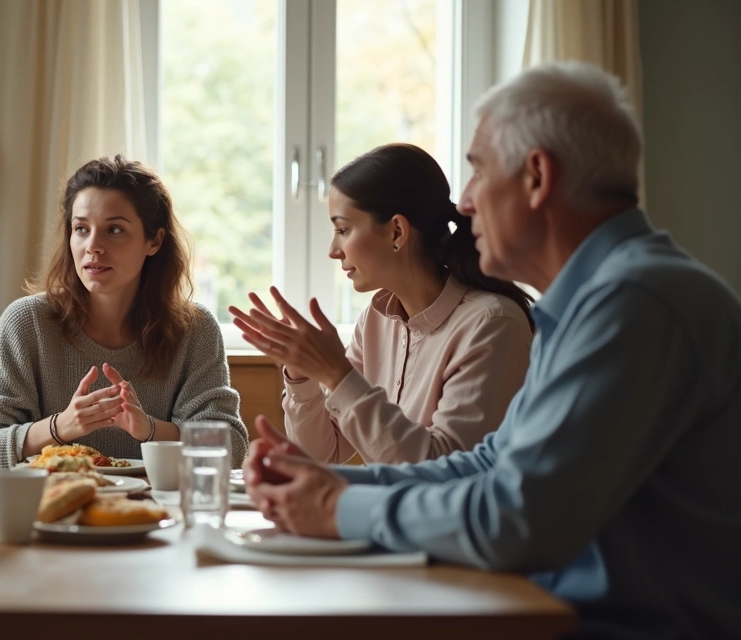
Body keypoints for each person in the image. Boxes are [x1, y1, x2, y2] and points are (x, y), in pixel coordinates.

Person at [242, 61, 741, 639]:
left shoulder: (634, 302)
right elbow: (485, 466)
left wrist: (335, 508)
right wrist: (331, 481)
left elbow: (517, 519)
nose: (466, 203)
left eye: (478, 171)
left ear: (536, 176)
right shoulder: (590, 304)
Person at [229, 143, 532, 464]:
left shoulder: (492, 324)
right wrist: (302, 376)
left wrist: (337, 374)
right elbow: (323, 455)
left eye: (343, 229)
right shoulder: (375, 321)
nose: (333, 250)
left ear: (397, 231)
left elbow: (439, 470)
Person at [0, 155, 248, 468]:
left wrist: (150, 430)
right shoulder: (27, 322)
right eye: (81, 228)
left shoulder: (195, 329)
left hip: (159, 513)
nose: (93, 246)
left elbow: (230, 447)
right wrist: (60, 427)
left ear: (154, 240)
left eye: (114, 230)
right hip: (52, 512)